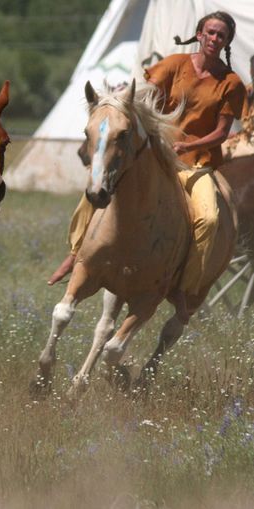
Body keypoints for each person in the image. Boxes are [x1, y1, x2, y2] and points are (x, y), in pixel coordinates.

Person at [48, 11, 246, 323]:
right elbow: (144, 94)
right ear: (200, 33)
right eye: (210, 32)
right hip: (158, 154)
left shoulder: (231, 83)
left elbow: (222, 132)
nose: (214, 39)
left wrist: (190, 145)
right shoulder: (175, 64)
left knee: (208, 218)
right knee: (98, 189)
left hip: (197, 165)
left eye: (221, 35)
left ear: (227, 41)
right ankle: (76, 255)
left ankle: (183, 284)